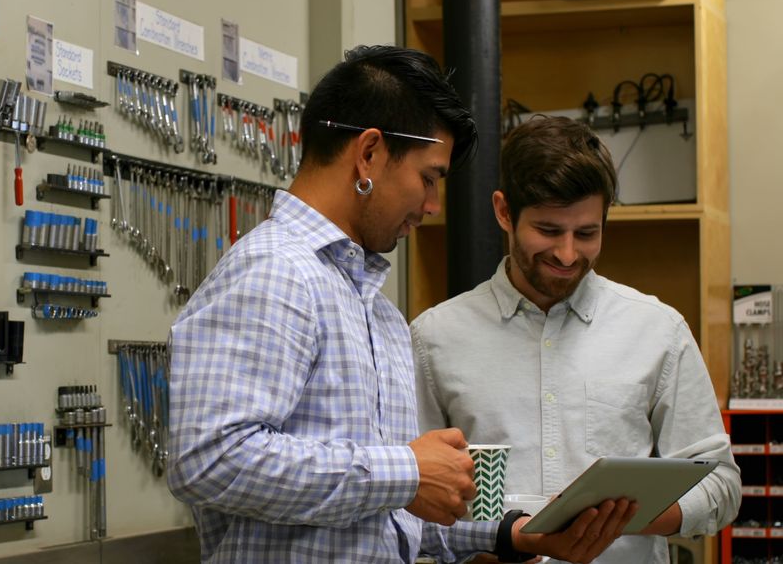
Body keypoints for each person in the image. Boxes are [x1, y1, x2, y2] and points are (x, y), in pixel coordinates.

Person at [168, 46, 635, 564]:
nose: (433, 205)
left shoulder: (376, 311)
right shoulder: (277, 272)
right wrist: (407, 471)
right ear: (369, 154)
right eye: (429, 178)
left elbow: (386, 520)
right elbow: (208, 460)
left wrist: (509, 536)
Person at [411, 116, 741, 563]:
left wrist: (617, 517)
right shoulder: (434, 339)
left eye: (587, 233)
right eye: (548, 231)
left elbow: (720, 483)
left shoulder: (658, 331)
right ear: (504, 211)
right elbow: (410, 498)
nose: (567, 254)